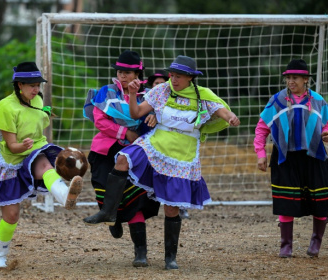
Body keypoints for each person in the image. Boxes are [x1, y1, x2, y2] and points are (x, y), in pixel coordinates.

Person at [83, 55, 240, 270]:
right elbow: (136, 112)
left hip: (181, 155)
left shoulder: (202, 95)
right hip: (154, 145)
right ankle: (109, 212)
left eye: (178, 76)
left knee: (171, 209)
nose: (173, 80)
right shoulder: (162, 90)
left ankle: (170, 257)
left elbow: (220, 109)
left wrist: (230, 117)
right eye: (172, 75)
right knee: (123, 159)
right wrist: (131, 95)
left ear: (191, 78)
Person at [0, 62, 83, 269]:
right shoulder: (5, 107)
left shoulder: (36, 100)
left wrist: (44, 114)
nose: (36, 89)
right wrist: (22, 145)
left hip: (34, 150)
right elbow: (12, 146)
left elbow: (38, 122)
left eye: (38, 85)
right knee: (12, 216)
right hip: (11, 158)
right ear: (19, 85)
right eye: (31, 85)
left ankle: (65, 196)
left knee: (45, 165)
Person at [253, 59, 328, 258]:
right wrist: (261, 154)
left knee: (320, 201)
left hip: (314, 156)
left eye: (295, 78)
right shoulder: (277, 100)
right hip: (286, 158)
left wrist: (327, 134)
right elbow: (261, 129)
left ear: (305, 79)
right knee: (286, 201)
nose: (290, 81)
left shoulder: (318, 100)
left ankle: (316, 242)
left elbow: (326, 126)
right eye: (288, 78)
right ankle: (286, 245)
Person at [83, 50, 160, 267]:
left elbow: (158, 120)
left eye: (128, 72)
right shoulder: (106, 92)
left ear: (138, 74)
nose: (123, 76)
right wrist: (125, 133)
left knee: (135, 200)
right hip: (105, 150)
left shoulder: (149, 96)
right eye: (120, 71)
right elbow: (100, 120)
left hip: (137, 152)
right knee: (104, 191)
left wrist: (154, 117)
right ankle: (111, 217)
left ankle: (140, 253)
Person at [147, 69, 190, 220]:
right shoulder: (147, 100)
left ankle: (181, 206)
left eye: (162, 83)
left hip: (174, 146)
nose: (159, 86)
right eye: (155, 83)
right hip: (152, 145)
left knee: (176, 177)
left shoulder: (178, 98)